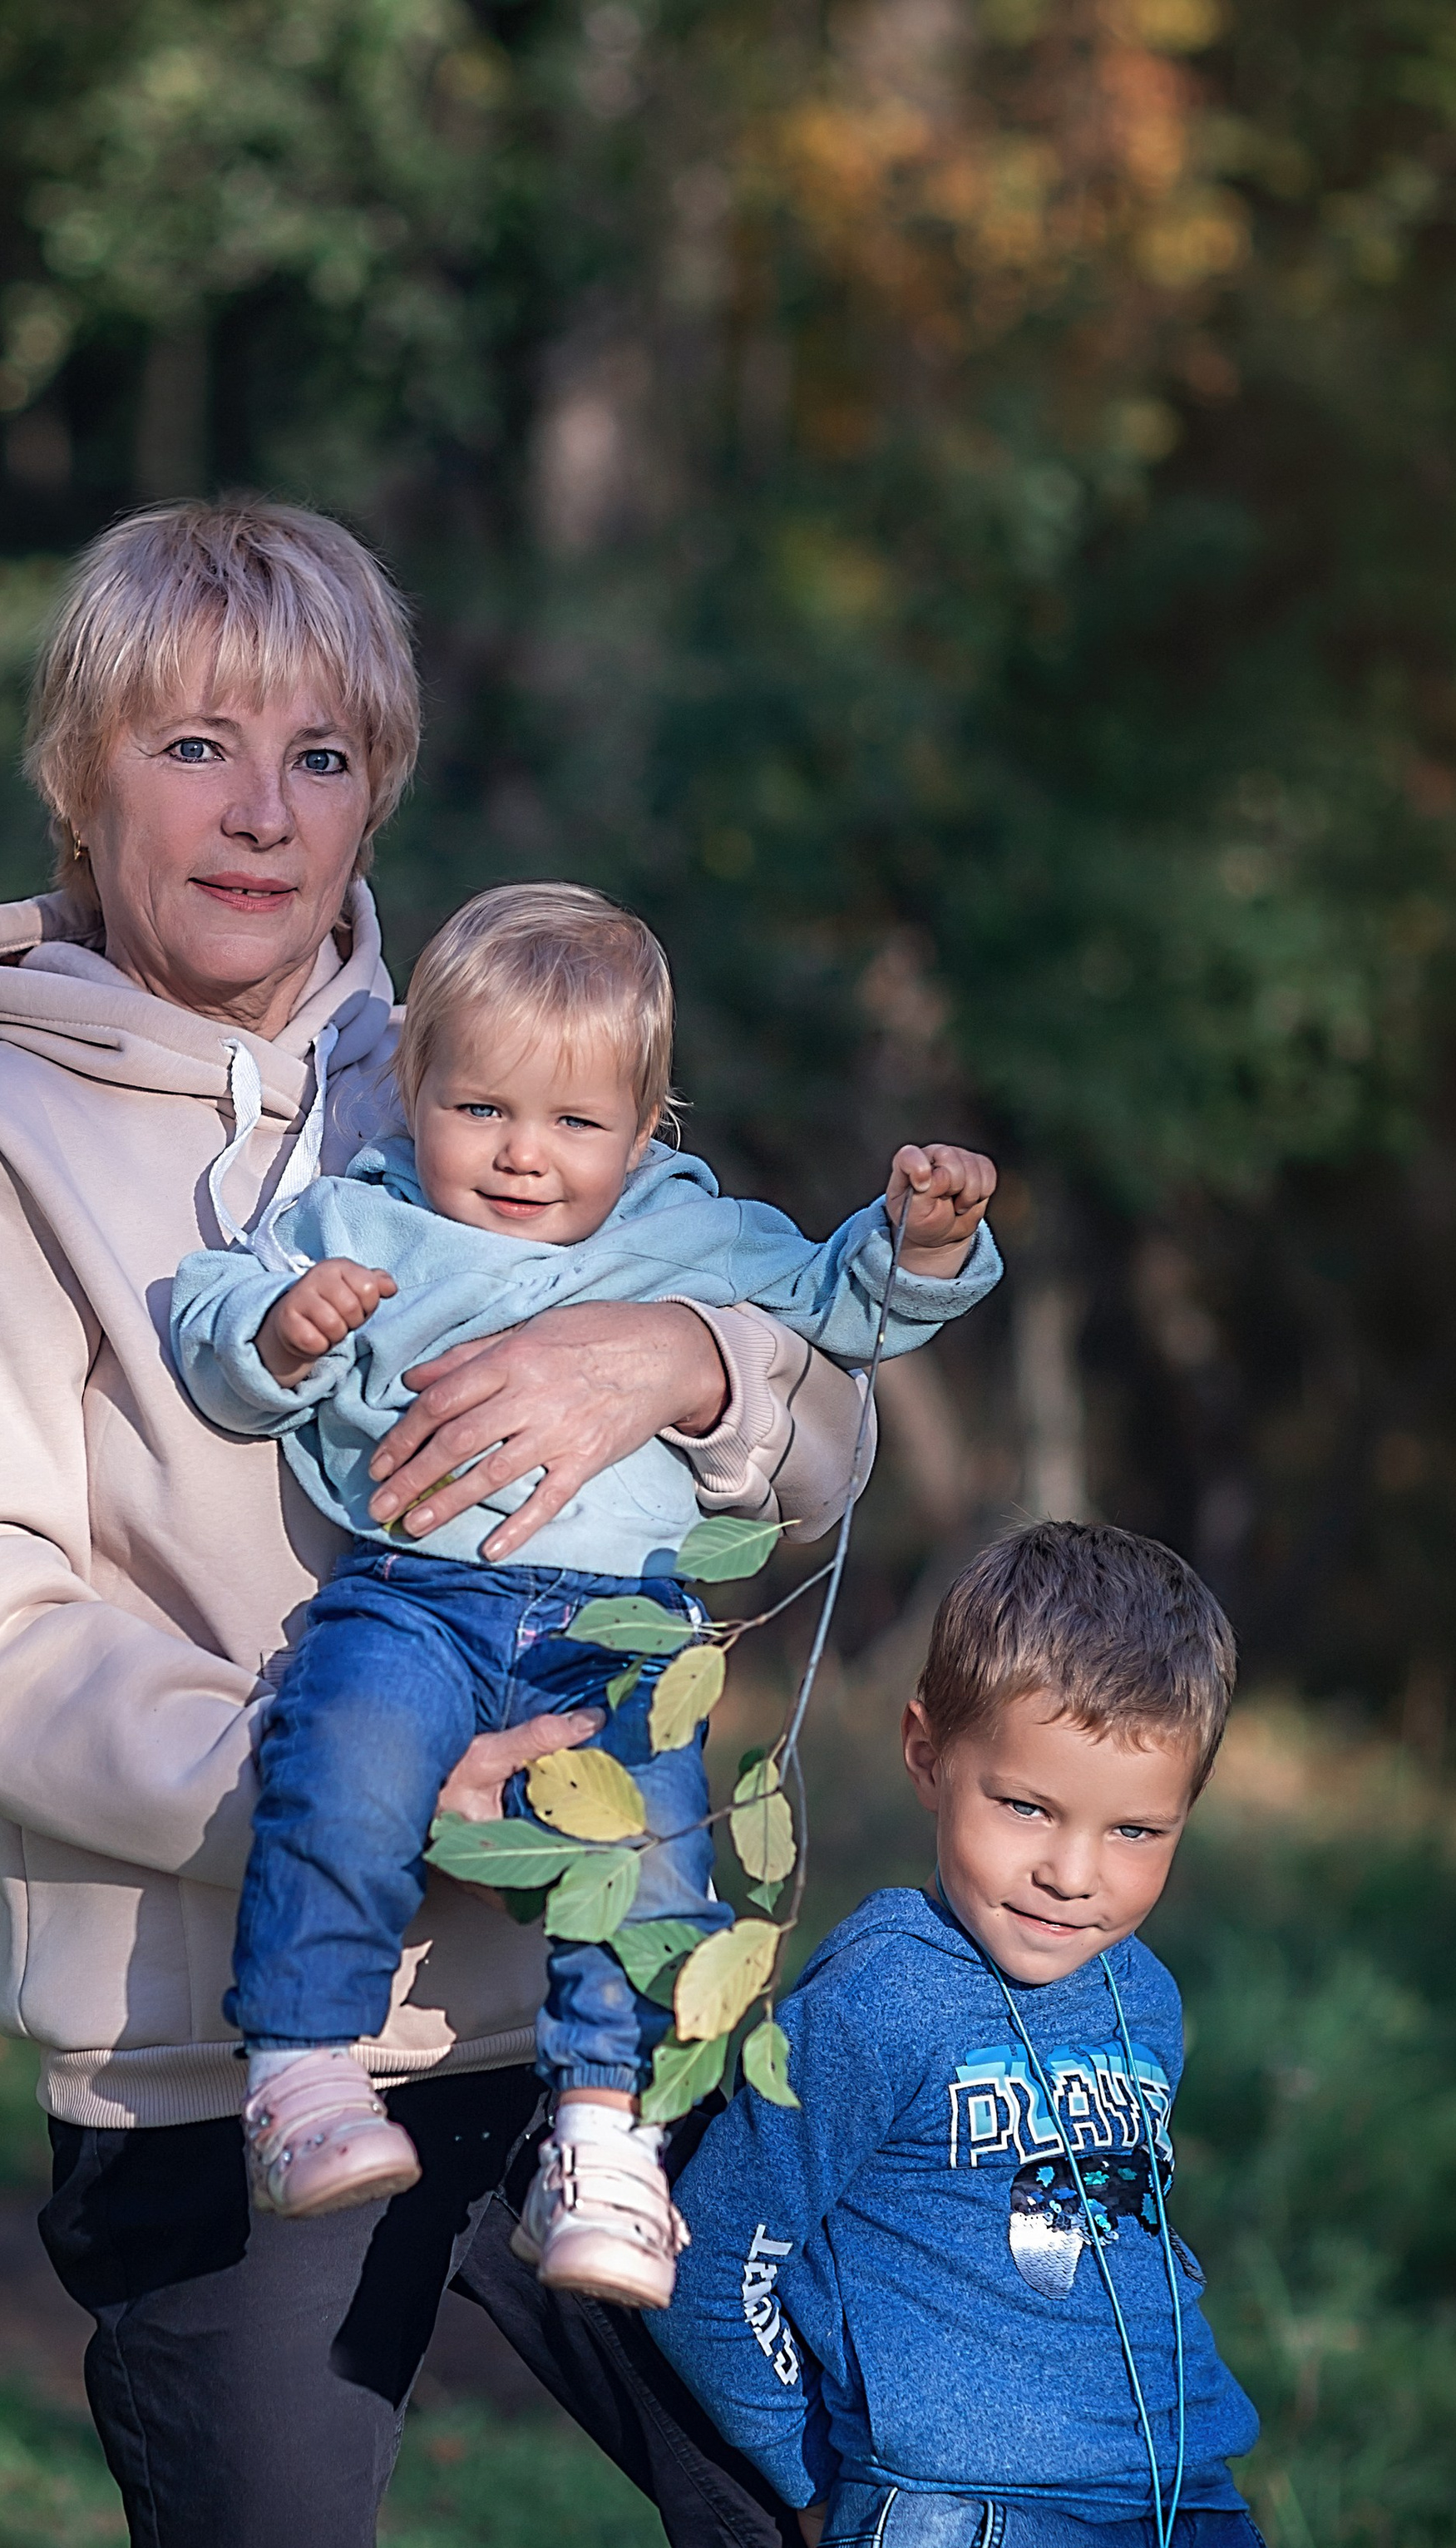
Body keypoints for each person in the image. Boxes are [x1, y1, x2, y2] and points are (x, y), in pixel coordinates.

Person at [0, 496, 974, 2548]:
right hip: (233, 2052)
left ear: (383, 791)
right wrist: (321, 1779)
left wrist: (659, 1353)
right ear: (77, 782)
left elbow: (812, 1437)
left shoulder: (490, 1040)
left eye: (318, 751)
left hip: (596, 2012)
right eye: (190, 741)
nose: (256, 805)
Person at [169, 879, 999, 2304]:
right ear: (413, 1084)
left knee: (657, 1841)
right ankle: (302, 2074)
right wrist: (278, 1327)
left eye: (577, 1125)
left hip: (618, 1625)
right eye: (481, 1109)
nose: (523, 1160)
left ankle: (604, 2140)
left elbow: (834, 1313)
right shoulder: (358, 1218)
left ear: (649, 1122)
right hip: (414, 1593)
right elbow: (211, 1314)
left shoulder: (692, 1231)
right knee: (340, 1763)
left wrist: (916, 1243)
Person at [650, 1522, 1266, 2548]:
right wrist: (813, 2488)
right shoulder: (872, 2000)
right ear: (926, 1754)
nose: (1073, 1870)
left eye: (1133, 1829)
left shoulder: (1141, 2006)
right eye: (1028, 1807)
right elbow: (718, 2268)